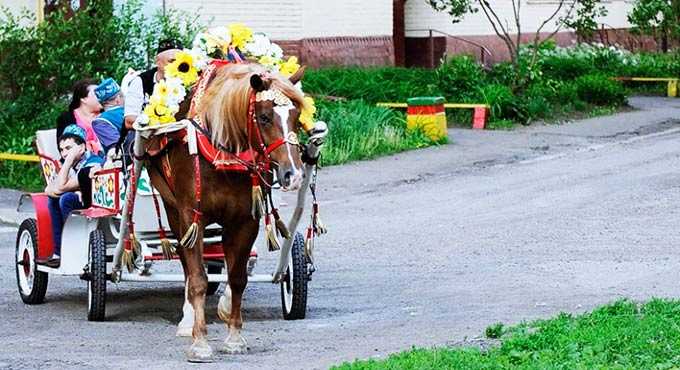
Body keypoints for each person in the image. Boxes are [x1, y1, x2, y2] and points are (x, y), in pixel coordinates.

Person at [43, 125, 102, 267]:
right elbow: (49, 189)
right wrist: (72, 188)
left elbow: (61, 187)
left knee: (66, 198)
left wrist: (68, 161)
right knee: (53, 199)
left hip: (97, 203)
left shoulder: (93, 162)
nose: (64, 154)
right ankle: (58, 252)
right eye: (62, 150)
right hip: (82, 200)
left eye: (68, 148)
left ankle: (73, 246)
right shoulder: (68, 165)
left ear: (81, 147)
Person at [123, 39, 183, 131]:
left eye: (179, 63)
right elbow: (129, 121)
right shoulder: (140, 81)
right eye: (171, 61)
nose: (175, 67)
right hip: (143, 136)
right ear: (157, 61)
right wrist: (158, 122)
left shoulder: (187, 83)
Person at [56, 79, 103, 154]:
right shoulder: (67, 118)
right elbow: (64, 146)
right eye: (97, 94)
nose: (101, 97)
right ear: (83, 99)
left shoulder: (107, 114)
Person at [92, 78, 125, 154]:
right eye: (122, 96)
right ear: (118, 99)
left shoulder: (100, 121)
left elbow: (116, 148)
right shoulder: (132, 113)